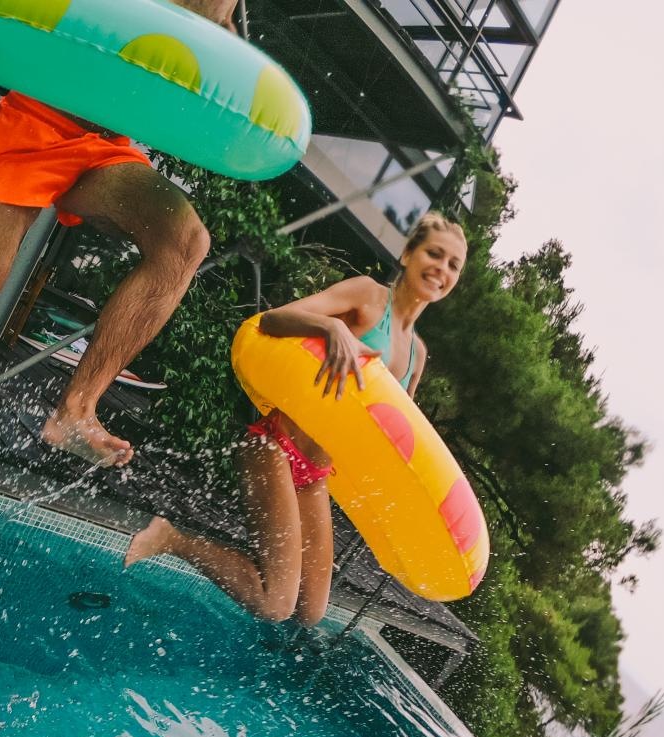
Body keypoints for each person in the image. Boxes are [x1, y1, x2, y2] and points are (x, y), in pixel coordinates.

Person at [0, 1, 245, 467]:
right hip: (33, 124)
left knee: (186, 242)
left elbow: (223, 59)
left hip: (104, 146)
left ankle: (75, 410)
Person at [124, 212, 467, 626]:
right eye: (435, 254)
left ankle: (227, 558)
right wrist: (330, 328)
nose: (442, 269)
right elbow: (272, 320)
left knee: (309, 612)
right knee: (275, 604)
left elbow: (390, 442)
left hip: (315, 474)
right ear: (408, 253)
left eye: (454, 265)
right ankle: (170, 538)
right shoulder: (368, 296)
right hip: (275, 445)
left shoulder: (417, 354)